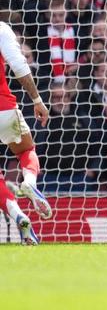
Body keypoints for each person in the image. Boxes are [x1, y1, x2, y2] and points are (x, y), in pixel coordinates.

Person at [0, 22, 50, 245]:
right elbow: (19, 65)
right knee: (26, 151)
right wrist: (37, 100)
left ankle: (18, 215)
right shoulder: (1, 29)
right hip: (3, 108)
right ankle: (29, 182)